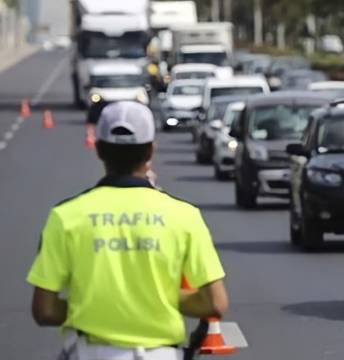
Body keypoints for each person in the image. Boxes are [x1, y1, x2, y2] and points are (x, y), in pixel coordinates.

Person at [27, 101, 229, 360]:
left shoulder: (65, 216)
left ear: (99, 150)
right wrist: (157, 298)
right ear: (151, 151)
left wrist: (93, 305)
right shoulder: (184, 216)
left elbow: (44, 311)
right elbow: (215, 303)